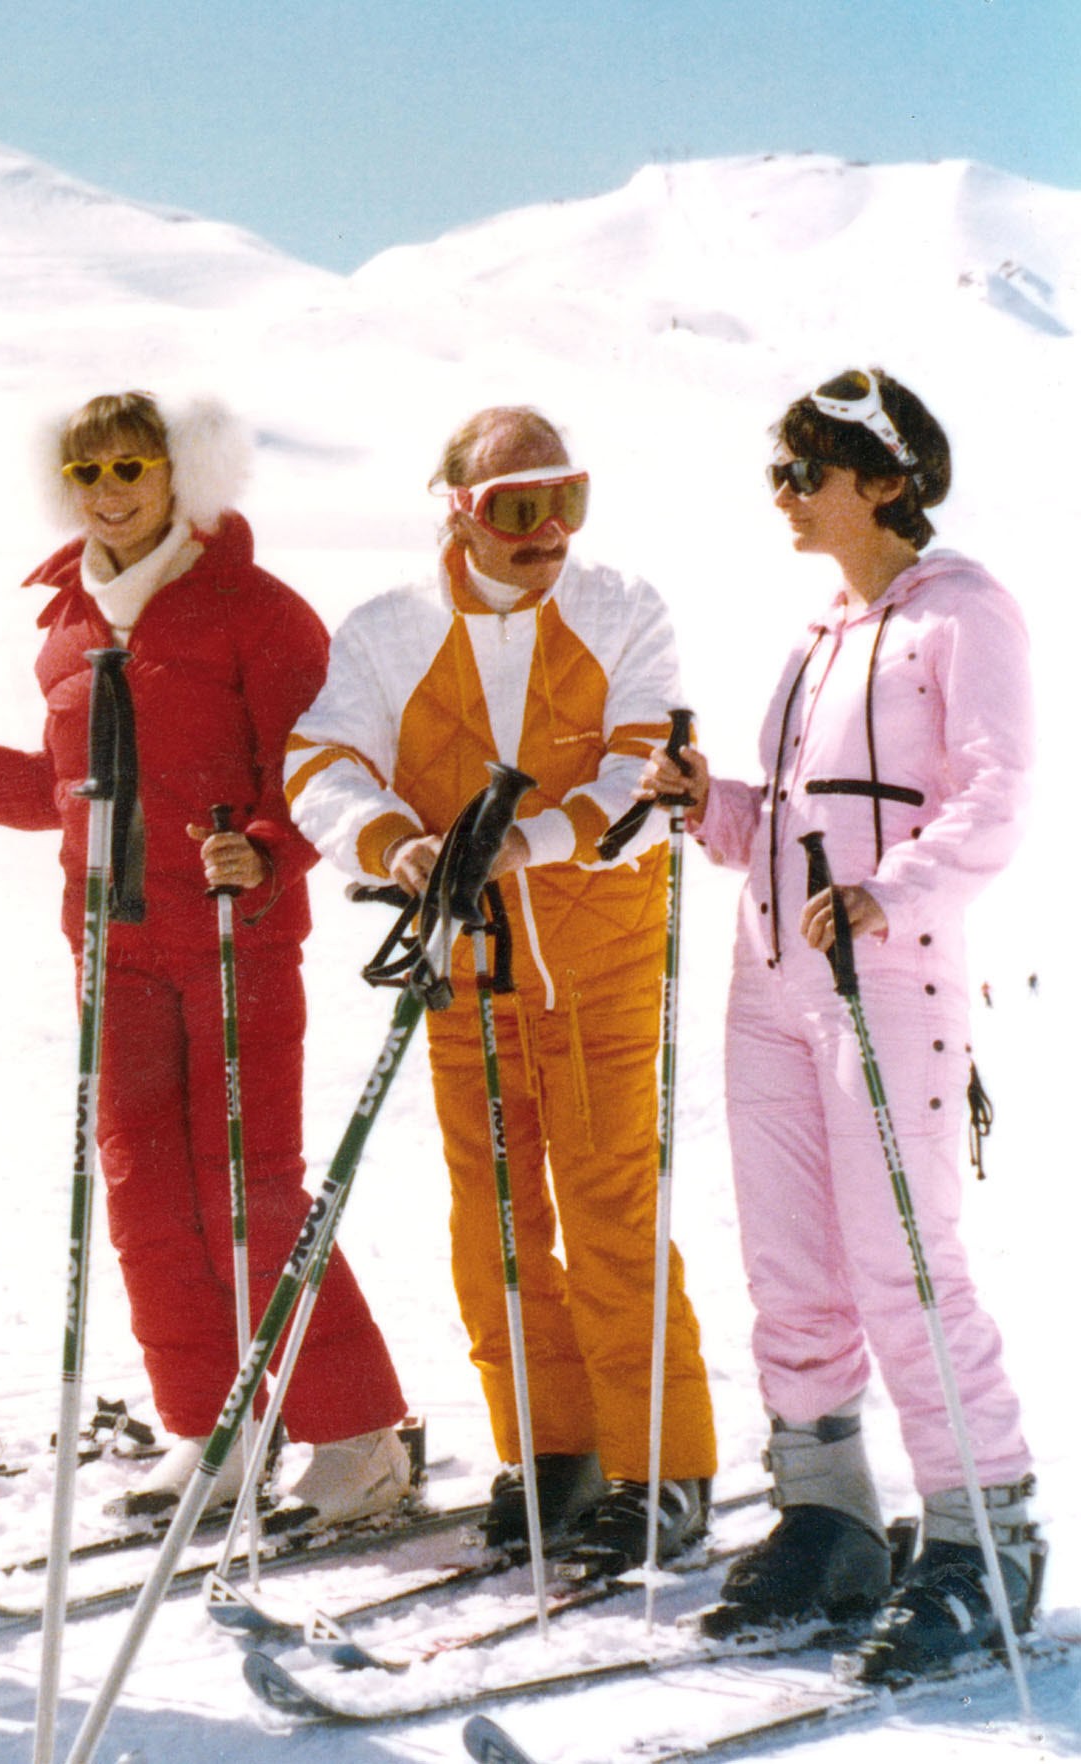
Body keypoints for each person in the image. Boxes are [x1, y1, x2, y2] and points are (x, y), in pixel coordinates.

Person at [0, 391, 414, 1528]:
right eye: (87, 472)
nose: (109, 489)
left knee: (251, 1190)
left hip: (234, 945)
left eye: (131, 465)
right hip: (113, 952)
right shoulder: (66, 627)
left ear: (179, 472)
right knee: (144, 1196)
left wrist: (266, 855)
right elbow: (61, 793)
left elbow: (318, 778)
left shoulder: (257, 612)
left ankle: (358, 1439)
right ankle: (213, 1431)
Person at [639, 369, 1038, 1674]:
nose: (783, 496)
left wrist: (893, 895)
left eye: (803, 473)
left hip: (887, 975)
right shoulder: (820, 634)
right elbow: (795, 828)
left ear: (882, 479)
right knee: (790, 1266)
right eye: (777, 472)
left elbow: (989, 797)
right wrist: (710, 802)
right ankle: (826, 1515)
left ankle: (983, 1537)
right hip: (774, 978)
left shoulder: (958, 615)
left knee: (901, 1264)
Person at [284, 406, 717, 1572]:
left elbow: (643, 767)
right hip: (466, 968)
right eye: (516, 509)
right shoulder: (387, 632)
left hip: (599, 961)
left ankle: (660, 1463)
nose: (547, 533)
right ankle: (551, 1446)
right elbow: (320, 761)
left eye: (564, 501)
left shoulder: (621, 610)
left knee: (612, 1206)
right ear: (459, 513)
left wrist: (526, 842)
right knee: (495, 1221)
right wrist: (390, 842)